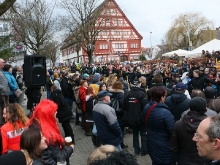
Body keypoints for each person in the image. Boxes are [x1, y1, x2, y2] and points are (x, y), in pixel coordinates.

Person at [28, 99, 74, 165]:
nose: (56, 114)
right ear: (48, 116)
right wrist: (70, 148)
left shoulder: (34, 124)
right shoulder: (46, 135)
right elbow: (58, 156)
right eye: (54, 113)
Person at [170, 97, 207, 165]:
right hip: (203, 161)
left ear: (189, 108)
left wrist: (179, 159)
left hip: (184, 160)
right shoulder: (209, 125)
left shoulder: (178, 124)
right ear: (205, 109)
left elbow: (173, 146)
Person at [143, 86, 175, 165]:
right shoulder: (165, 112)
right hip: (164, 144)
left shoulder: (147, 107)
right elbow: (172, 130)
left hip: (151, 141)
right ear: (161, 97)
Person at [123, 79, 148, 155]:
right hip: (141, 118)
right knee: (143, 134)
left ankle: (137, 150)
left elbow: (124, 106)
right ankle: (144, 151)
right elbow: (145, 106)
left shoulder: (127, 94)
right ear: (139, 85)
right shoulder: (142, 94)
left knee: (135, 133)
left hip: (131, 118)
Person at [109, 81, 127, 148]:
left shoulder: (110, 93)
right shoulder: (121, 94)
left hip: (111, 112)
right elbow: (122, 104)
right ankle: (120, 143)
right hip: (119, 113)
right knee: (120, 129)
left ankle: (114, 142)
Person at [0, 58, 10, 125]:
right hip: (1, 93)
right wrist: (2, 88)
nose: (4, 63)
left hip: (5, 93)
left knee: (6, 108)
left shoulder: (1, 70)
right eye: (3, 62)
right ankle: (2, 123)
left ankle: (6, 121)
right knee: (2, 109)